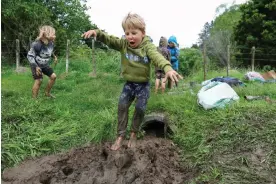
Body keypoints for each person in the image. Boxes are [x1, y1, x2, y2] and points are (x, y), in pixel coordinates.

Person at [82, 13, 182, 151]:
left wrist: (168, 68)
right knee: (122, 107)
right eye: (127, 33)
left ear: (143, 33)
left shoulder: (147, 46)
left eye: (134, 33)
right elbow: (110, 40)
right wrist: (97, 33)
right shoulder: (123, 44)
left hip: (143, 85)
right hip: (129, 84)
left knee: (140, 109)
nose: (130, 36)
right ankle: (120, 136)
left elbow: (157, 57)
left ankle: (134, 133)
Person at [27, 25, 57, 99]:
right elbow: (30, 56)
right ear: (47, 34)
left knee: (53, 76)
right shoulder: (37, 44)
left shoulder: (51, 43)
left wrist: (54, 57)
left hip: (45, 64)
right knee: (39, 80)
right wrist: (36, 67)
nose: (55, 36)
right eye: (53, 34)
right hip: (36, 64)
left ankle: (47, 93)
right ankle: (34, 100)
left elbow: (49, 51)